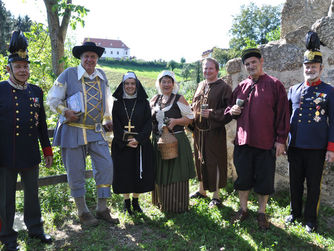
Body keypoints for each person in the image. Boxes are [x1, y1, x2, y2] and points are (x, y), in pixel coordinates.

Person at [47, 41, 118, 226]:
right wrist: (65, 112)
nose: (89, 59)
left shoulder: (102, 76)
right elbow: (52, 99)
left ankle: (102, 209)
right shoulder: (68, 74)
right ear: (80, 58)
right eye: (86, 56)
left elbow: (107, 101)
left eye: (93, 56)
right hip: (73, 131)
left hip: (95, 131)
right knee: (76, 171)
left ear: (97, 59)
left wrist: (107, 119)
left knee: (106, 166)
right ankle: (83, 212)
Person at [225, 48, 290, 230]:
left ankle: (262, 213)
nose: (251, 66)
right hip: (243, 142)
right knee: (243, 179)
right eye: (247, 64)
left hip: (265, 142)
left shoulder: (275, 85)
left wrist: (281, 140)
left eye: (254, 62)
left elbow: (283, 114)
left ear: (261, 62)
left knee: (264, 180)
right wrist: (232, 111)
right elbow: (228, 108)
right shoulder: (241, 87)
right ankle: (243, 209)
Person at [0, 31, 53, 251]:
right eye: (19, 67)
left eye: (26, 66)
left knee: (32, 195)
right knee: (5, 200)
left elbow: (41, 125)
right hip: (5, 154)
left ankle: (35, 229)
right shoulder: (0, 90)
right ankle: (7, 236)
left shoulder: (36, 91)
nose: (23, 70)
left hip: (30, 153)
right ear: (9, 69)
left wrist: (47, 150)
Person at [285, 31, 334, 233]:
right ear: (303, 68)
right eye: (307, 66)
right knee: (294, 183)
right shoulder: (293, 90)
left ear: (321, 68)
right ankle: (294, 213)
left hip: (316, 147)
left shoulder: (329, 91)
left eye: (313, 66)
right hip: (295, 145)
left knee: (314, 186)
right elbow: (285, 119)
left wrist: (331, 148)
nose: (310, 69)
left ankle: (310, 219)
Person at [151, 70, 196, 213]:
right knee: (160, 170)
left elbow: (190, 118)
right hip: (158, 141)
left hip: (176, 141)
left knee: (176, 171)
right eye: (163, 81)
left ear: (173, 84)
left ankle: (177, 205)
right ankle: (161, 202)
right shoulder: (154, 99)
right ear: (159, 83)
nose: (166, 84)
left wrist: (176, 121)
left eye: (169, 82)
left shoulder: (179, 99)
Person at [111, 72, 155, 215]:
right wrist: (125, 141)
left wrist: (138, 139)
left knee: (138, 173)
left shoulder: (144, 103)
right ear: (123, 85)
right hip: (122, 145)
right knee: (124, 173)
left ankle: (136, 202)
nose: (130, 86)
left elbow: (149, 123)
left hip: (140, 145)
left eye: (132, 83)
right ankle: (126, 203)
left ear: (137, 85)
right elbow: (116, 125)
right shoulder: (117, 103)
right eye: (127, 84)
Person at [191, 58, 232, 207]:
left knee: (215, 162)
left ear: (217, 70)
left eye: (210, 68)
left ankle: (216, 196)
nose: (207, 71)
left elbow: (230, 111)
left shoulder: (224, 87)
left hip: (214, 132)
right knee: (199, 160)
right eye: (205, 68)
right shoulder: (200, 85)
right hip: (198, 132)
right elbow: (193, 105)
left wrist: (213, 114)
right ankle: (201, 190)